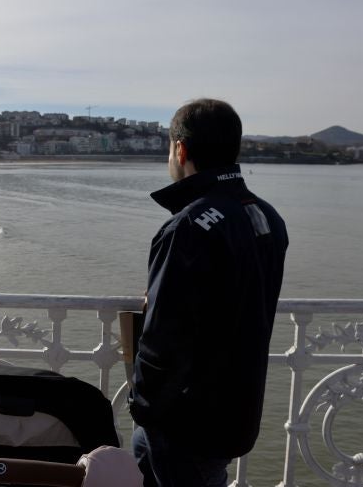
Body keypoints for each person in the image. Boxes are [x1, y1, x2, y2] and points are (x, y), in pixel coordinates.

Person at [130, 99, 288, 487]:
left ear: (180, 150)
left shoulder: (188, 227)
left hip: (184, 420)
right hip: (236, 408)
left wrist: (142, 406)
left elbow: (161, 336)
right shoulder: (267, 216)